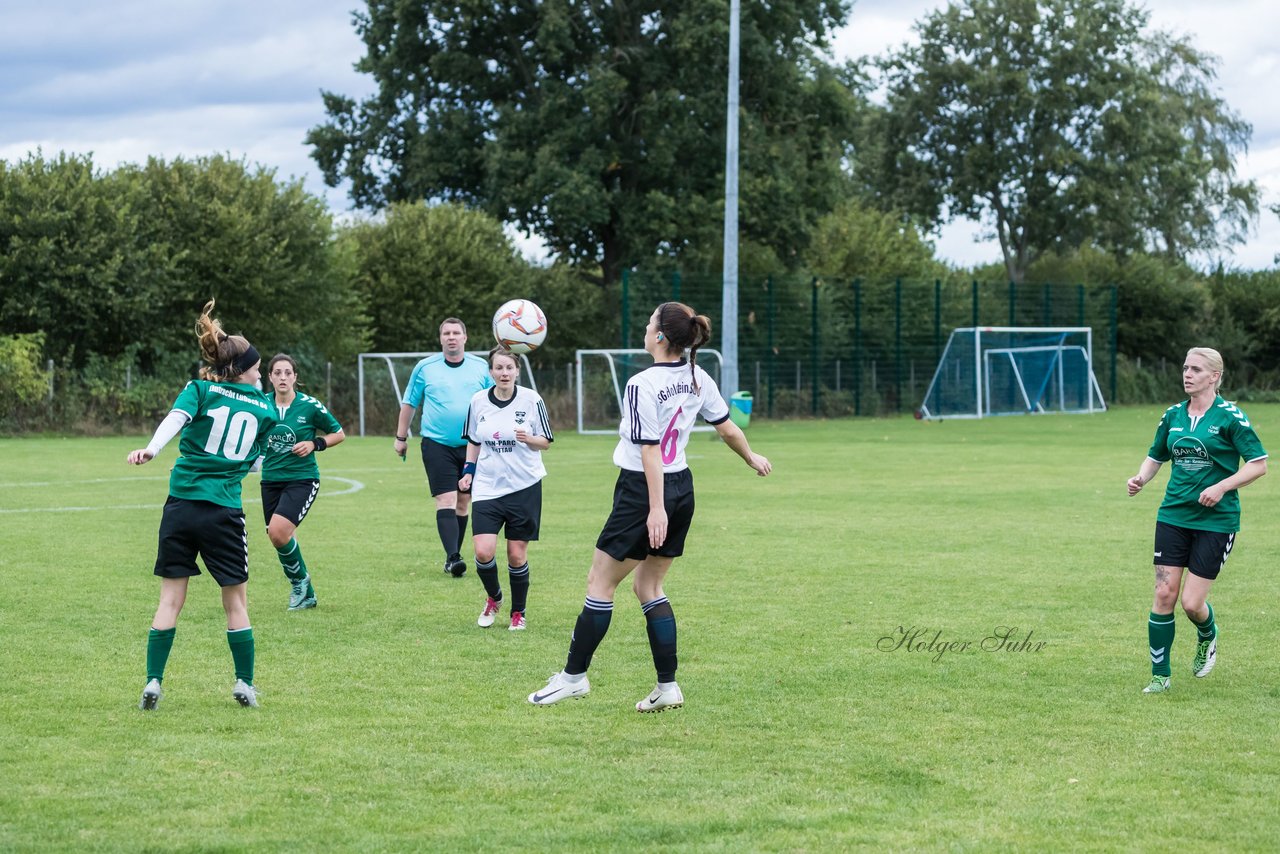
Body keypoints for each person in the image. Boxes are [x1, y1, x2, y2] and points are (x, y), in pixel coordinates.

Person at [528, 302, 772, 712]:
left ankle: (572, 679)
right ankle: (667, 687)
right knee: (649, 587)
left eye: (649, 324)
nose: (644, 329)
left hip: (645, 492)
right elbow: (728, 428)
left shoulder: (642, 383)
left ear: (660, 336)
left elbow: (649, 449)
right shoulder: (697, 376)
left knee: (599, 584)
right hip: (682, 488)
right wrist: (750, 457)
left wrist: (654, 508)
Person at [127, 300, 276, 710]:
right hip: (223, 511)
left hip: (180, 506)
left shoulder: (200, 390)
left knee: (170, 599)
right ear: (241, 369)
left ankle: (154, 681)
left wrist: (152, 449)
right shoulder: (264, 408)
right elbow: (256, 460)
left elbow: (176, 419)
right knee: (236, 601)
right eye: (257, 367)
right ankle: (244, 683)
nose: (260, 374)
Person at [1127, 347, 1267, 694]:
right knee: (1164, 594)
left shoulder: (1231, 417)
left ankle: (1208, 633)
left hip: (1216, 521)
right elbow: (1156, 454)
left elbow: (1258, 464)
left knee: (1191, 604)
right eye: (1185, 368)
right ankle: (1160, 676)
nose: (1187, 374)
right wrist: (1141, 479)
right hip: (1173, 515)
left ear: (1214, 377)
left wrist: (1221, 486)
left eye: (1196, 369)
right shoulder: (1173, 415)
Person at [458, 347, 553, 631]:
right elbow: (474, 440)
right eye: (498, 368)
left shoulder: (531, 399)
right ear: (491, 372)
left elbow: (546, 441)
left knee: (515, 554)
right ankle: (494, 597)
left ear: (517, 371)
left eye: (509, 368)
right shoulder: (478, 402)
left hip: (524, 485)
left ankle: (518, 612)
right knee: (483, 551)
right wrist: (467, 472)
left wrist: (530, 439)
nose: (504, 373)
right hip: (487, 485)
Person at [393, 318, 494, 577]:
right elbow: (409, 403)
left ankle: (454, 555)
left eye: (456, 333)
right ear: (440, 339)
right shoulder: (425, 367)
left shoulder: (480, 367)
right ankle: (453, 556)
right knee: (446, 499)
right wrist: (400, 437)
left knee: (463, 502)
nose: (451, 337)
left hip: (472, 446)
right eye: (446, 333)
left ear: (465, 337)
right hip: (436, 444)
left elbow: (491, 403)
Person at [260, 354, 345, 611]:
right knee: (279, 537)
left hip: (303, 479)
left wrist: (314, 443)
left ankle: (300, 584)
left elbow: (338, 433)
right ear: (270, 377)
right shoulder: (261, 405)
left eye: (288, 372)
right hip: (270, 480)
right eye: (278, 373)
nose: (283, 377)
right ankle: (306, 592)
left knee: (278, 532)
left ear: (295, 377)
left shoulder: (309, 406)